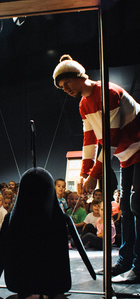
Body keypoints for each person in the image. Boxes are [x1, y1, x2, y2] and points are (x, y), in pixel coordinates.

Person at [53, 54, 140, 281]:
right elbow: (90, 140)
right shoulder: (83, 104)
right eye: (62, 87)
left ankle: (138, 267)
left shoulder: (108, 93)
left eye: (66, 83)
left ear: (78, 76)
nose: (66, 89)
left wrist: (93, 176)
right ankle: (124, 262)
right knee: (126, 207)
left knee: (137, 205)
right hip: (126, 156)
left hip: (138, 149)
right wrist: (83, 175)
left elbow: (109, 139)